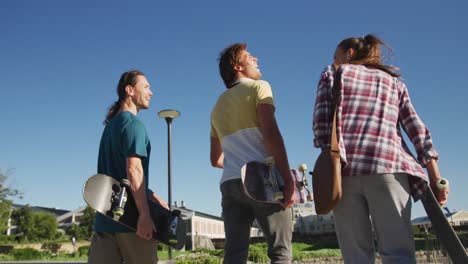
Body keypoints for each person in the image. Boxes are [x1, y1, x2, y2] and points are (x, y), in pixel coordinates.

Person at [313, 34, 449, 264]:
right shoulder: (394, 82)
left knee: (356, 256)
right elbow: (416, 129)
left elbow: (321, 126)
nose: (334, 60)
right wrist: (435, 177)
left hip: (344, 174)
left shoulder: (333, 73)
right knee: (398, 254)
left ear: (349, 54)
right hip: (390, 169)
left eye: (336, 56)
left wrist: (328, 160)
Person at [210, 43, 295, 264]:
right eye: (249, 57)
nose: (256, 59)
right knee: (280, 251)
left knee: (235, 253)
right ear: (238, 66)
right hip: (262, 180)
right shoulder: (260, 87)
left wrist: (237, 161)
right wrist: (287, 178)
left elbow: (215, 159)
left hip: (230, 183)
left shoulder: (217, 106)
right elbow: (271, 132)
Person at [88, 70, 168, 264]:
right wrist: (145, 215)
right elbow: (133, 170)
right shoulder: (134, 125)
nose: (151, 92)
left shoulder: (110, 126)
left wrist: (149, 193)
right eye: (146, 87)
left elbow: (118, 174)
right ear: (130, 90)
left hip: (104, 222)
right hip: (130, 223)